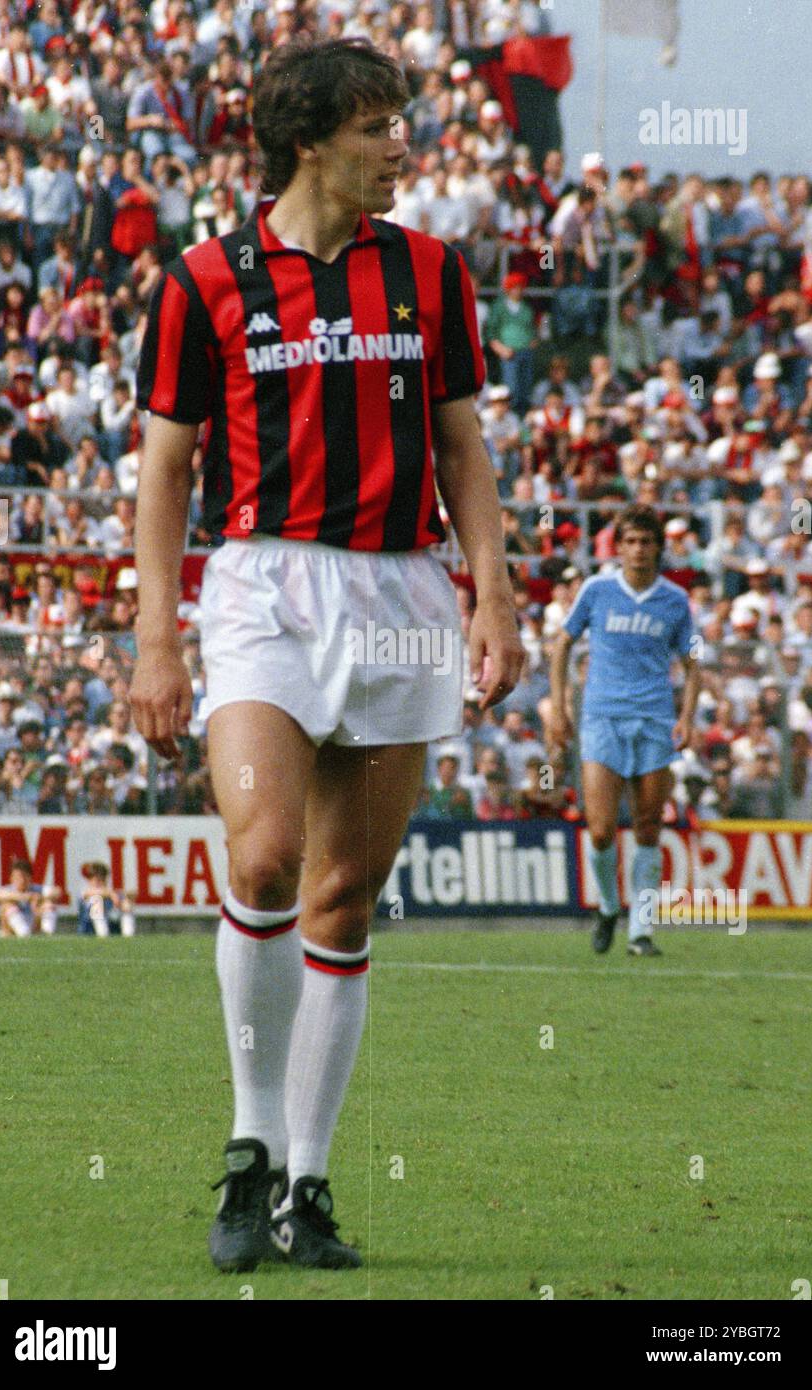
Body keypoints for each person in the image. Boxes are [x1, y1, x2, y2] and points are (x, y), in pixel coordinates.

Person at [131, 37, 523, 1275]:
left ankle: (306, 1182)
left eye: (400, 123)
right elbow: (165, 467)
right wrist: (154, 635)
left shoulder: (428, 273)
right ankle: (248, 1151)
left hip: (401, 590)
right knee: (263, 852)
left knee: (344, 900)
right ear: (310, 140)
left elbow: (463, 447)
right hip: (262, 583)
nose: (400, 144)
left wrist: (492, 597)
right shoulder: (204, 280)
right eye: (376, 127)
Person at [548, 504, 700, 956]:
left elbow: (694, 664)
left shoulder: (675, 601)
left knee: (649, 826)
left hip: (654, 719)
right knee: (599, 829)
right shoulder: (596, 590)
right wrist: (559, 710)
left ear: (658, 547)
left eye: (646, 541)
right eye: (630, 541)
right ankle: (610, 906)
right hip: (601, 717)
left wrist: (687, 717)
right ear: (619, 546)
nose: (638, 550)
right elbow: (561, 647)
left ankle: (641, 931)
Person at [0, 858, 60, 937]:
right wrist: (25, 897)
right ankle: (23, 933)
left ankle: (47, 933)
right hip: (11, 931)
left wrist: (39, 899)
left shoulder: (36, 889)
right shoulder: (8, 890)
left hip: (33, 925)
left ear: (30, 877)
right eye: (18, 877)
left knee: (48, 904)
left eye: (25, 876)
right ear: (11, 878)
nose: (22, 880)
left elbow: (56, 892)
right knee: (7, 905)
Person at [77, 861, 135, 937]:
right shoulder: (85, 891)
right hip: (88, 931)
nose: (100, 883)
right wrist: (111, 894)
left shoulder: (113, 893)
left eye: (102, 880)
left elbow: (132, 894)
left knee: (126, 905)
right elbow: (92, 893)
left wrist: (124, 901)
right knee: (96, 902)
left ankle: (128, 937)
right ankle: (102, 935)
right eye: (97, 880)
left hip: (112, 929)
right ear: (89, 880)